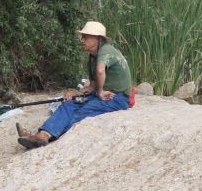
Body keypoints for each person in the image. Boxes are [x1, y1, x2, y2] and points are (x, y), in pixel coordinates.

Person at [17, 21, 132, 149]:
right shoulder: (92, 57)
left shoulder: (106, 50)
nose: (82, 40)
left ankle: (44, 138)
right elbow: (93, 85)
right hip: (103, 95)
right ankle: (42, 135)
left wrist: (99, 92)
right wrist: (76, 93)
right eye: (82, 37)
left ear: (98, 38)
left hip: (118, 98)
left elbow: (100, 72)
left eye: (86, 37)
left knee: (83, 110)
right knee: (69, 104)